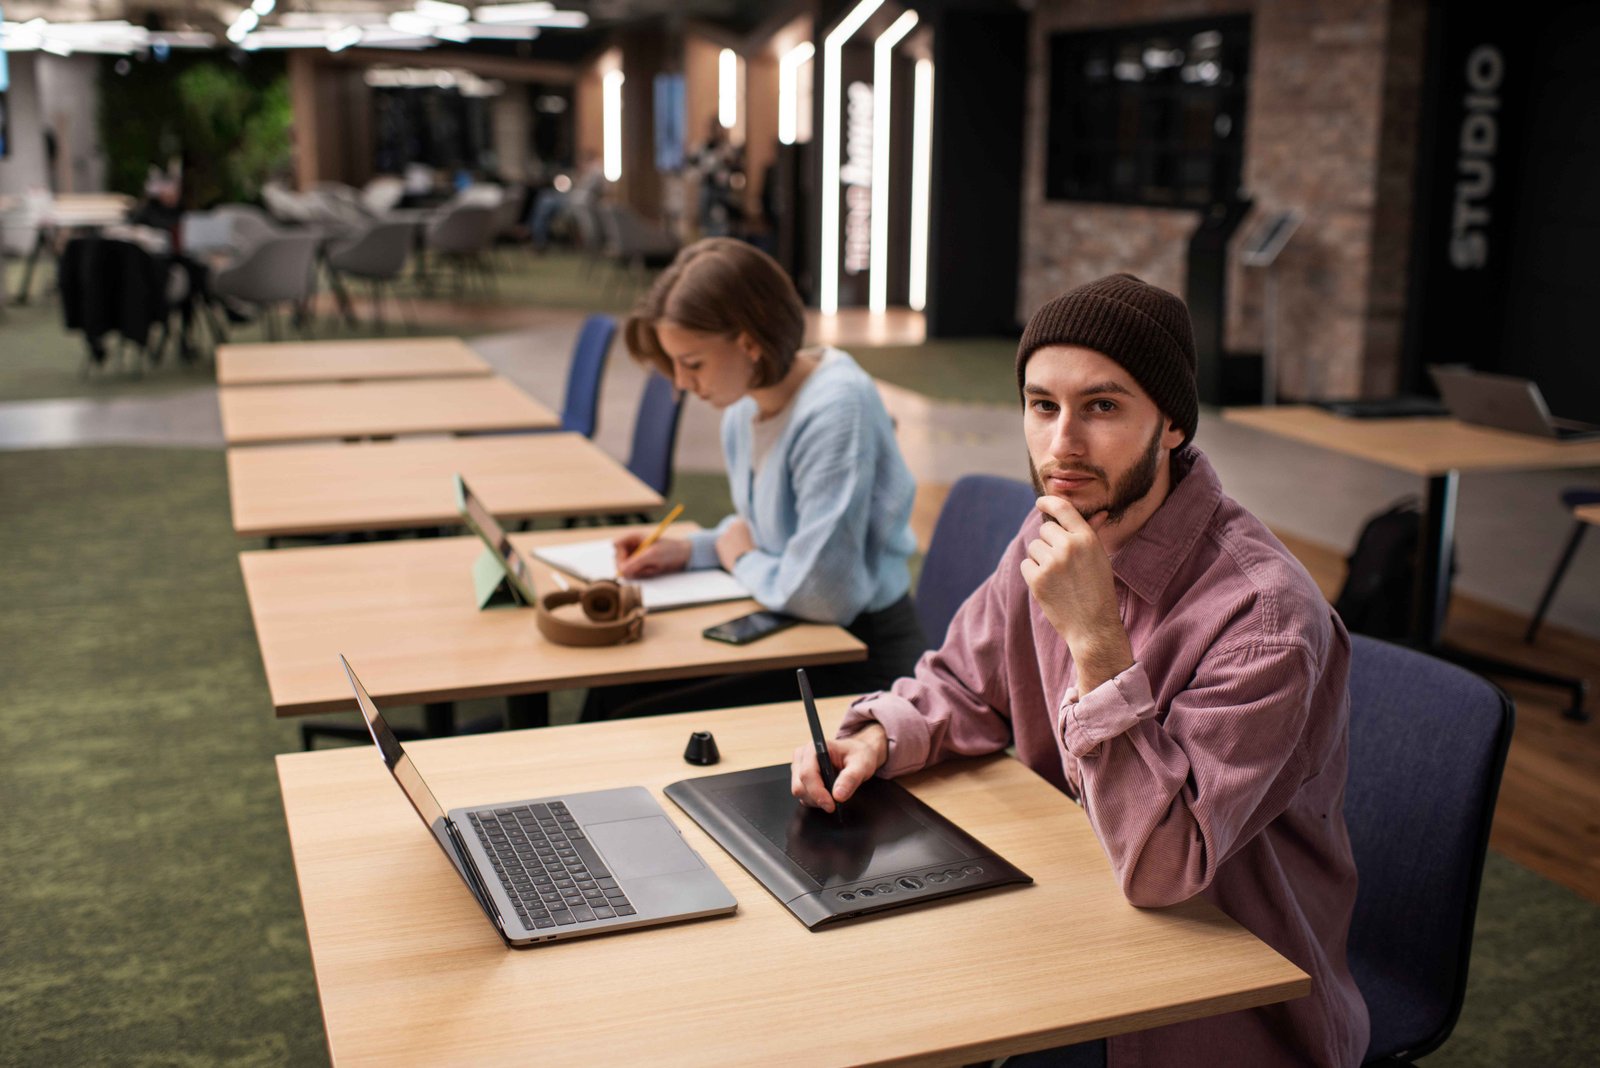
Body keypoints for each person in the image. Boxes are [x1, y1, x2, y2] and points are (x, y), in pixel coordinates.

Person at [790, 274, 1370, 1067]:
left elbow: (1166, 866)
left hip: (1208, 1005)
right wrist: (878, 737)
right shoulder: (1054, 530)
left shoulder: (1265, 619)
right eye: (1042, 406)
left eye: (1101, 406)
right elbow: (964, 684)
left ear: (1171, 423)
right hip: (1065, 923)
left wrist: (1097, 642)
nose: (1062, 444)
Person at [582, 237, 926, 720]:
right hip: (800, 631)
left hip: (861, 655)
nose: (680, 383)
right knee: (612, 693)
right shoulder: (744, 408)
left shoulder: (837, 408)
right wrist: (692, 550)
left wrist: (738, 556)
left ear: (749, 343)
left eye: (692, 363)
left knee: (629, 714)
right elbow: (776, 541)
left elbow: (822, 593)